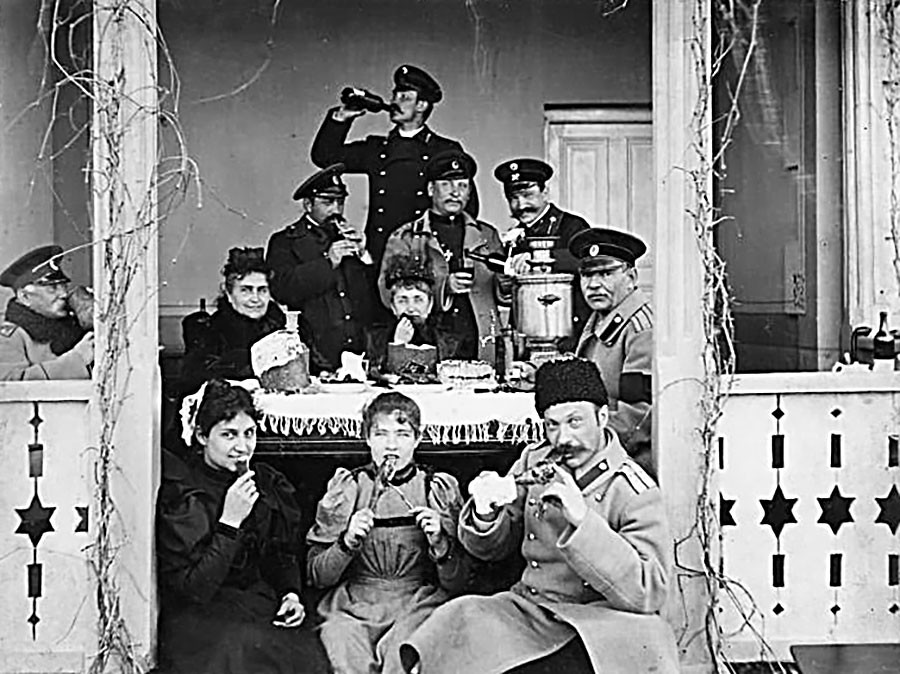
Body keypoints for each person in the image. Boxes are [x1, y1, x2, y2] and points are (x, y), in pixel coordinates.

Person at [400, 357, 678, 674]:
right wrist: (484, 515)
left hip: (600, 622)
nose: (562, 439)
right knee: (455, 619)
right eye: (552, 425)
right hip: (532, 609)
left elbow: (649, 591)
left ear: (602, 417)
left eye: (575, 422)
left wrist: (583, 521)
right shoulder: (535, 460)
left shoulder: (633, 489)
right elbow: (493, 550)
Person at [155, 379, 329, 674]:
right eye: (228, 435)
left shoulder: (266, 482)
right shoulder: (186, 494)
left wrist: (290, 594)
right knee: (247, 652)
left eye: (249, 434)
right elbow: (195, 588)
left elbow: (280, 554)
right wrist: (230, 521)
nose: (242, 447)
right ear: (201, 436)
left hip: (254, 605)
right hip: (202, 618)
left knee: (306, 656)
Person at [306, 391, 469, 674]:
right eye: (381, 434)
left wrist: (440, 542)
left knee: (405, 652)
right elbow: (317, 576)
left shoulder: (434, 488)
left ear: (418, 439)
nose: (391, 446)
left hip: (418, 602)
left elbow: (460, 583)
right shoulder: (349, 487)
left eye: (403, 434)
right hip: (354, 605)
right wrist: (346, 543)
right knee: (340, 643)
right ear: (367, 438)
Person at [311, 64, 478, 270]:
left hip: (424, 254)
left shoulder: (444, 150)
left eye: (404, 97)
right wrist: (341, 117)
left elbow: (467, 206)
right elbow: (325, 157)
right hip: (379, 253)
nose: (394, 102)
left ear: (422, 105)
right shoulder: (376, 148)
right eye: (394, 95)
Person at [378, 150, 506, 364]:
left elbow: (502, 292)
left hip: (479, 335)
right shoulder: (406, 236)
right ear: (431, 189)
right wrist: (445, 287)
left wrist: (508, 281)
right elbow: (386, 291)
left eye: (462, 186)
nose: (455, 192)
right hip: (428, 340)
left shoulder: (486, 235)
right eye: (446, 185)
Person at [265, 163, 376, 371]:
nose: (336, 210)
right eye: (328, 202)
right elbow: (283, 290)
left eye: (340, 202)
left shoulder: (347, 238)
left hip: (356, 353)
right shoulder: (285, 241)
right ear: (308, 205)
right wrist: (329, 263)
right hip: (313, 353)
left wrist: (363, 255)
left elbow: (368, 299)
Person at [179, 247, 330, 394]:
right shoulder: (208, 330)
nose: (255, 299)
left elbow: (316, 369)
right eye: (246, 290)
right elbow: (197, 378)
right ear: (229, 293)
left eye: (262, 290)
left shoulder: (287, 328)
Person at [569, 227, 652, 471]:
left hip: (623, 461)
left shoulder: (641, 330)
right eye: (587, 275)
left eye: (605, 273)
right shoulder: (600, 317)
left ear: (632, 277)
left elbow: (638, 416)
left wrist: (586, 449)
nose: (593, 284)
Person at [493, 158, 591, 341]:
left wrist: (537, 258)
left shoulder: (572, 225)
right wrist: (505, 286)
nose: (521, 205)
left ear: (545, 192)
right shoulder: (514, 238)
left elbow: (586, 262)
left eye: (528, 195)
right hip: (526, 333)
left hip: (566, 332)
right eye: (513, 198)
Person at [367, 253, 469, 379]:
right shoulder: (375, 340)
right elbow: (376, 376)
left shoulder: (451, 342)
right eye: (402, 300)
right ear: (393, 307)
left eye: (418, 299)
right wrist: (398, 344)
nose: (410, 308)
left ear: (430, 304)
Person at [0, 244, 94, 380]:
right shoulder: (10, 338)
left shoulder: (74, 325)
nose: (63, 294)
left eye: (64, 286)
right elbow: (11, 386)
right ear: (25, 296)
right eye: (52, 288)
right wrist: (77, 359)